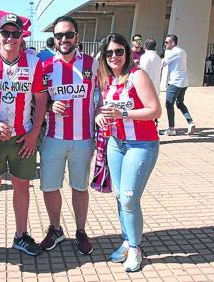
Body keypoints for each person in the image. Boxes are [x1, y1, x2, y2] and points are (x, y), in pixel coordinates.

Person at [0, 13, 47, 261]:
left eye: (15, 33)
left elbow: (40, 99)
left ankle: (20, 235)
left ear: (22, 36)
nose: (10, 38)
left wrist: (34, 134)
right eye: (5, 33)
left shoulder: (35, 63)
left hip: (22, 137)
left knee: (22, 187)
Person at [95, 33, 161, 272]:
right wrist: (99, 115)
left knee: (129, 197)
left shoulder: (137, 75)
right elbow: (101, 107)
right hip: (116, 143)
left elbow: (155, 110)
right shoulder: (107, 79)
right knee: (120, 197)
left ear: (127, 52)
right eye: (109, 52)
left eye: (119, 51)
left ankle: (135, 247)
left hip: (141, 144)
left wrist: (123, 114)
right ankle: (126, 241)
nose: (114, 56)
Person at [40, 16, 97, 255]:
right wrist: (49, 106)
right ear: (54, 38)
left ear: (77, 37)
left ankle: (81, 231)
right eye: (59, 35)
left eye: (69, 34)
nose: (64, 39)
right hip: (53, 138)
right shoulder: (44, 66)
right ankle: (55, 229)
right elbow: (35, 103)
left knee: (79, 187)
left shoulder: (92, 64)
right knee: (50, 187)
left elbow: (107, 93)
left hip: (83, 138)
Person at [161, 34, 195, 136]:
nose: (165, 44)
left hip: (175, 83)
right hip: (184, 83)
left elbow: (163, 63)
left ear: (173, 43)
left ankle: (171, 129)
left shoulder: (174, 52)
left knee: (169, 104)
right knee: (180, 103)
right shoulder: (182, 51)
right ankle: (190, 122)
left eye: (167, 42)